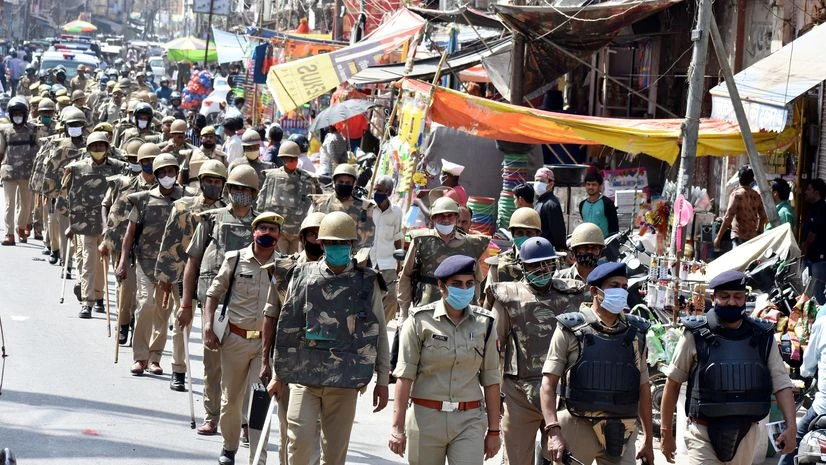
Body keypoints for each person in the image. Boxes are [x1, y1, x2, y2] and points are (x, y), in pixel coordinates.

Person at [269, 212, 390, 465]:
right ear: (321, 244)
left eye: (343, 243)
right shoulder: (299, 275)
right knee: (298, 443)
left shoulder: (367, 282)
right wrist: (277, 374)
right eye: (332, 243)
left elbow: (378, 333)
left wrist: (382, 379)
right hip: (304, 375)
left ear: (352, 246)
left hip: (345, 380)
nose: (337, 248)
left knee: (334, 455)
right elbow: (287, 326)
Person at [660, 270, 797, 464]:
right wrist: (665, 432)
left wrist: (791, 427)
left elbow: (782, 384)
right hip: (703, 433)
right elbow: (672, 383)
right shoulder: (695, 334)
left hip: (747, 435)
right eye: (724, 296)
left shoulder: (762, 337)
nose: (732, 302)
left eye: (737, 296)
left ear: (745, 298)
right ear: (713, 297)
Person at [388, 254, 501, 464]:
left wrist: (494, 430)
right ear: (441, 286)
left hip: (470, 420)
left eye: (469, 284)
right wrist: (397, 427)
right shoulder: (419, 321)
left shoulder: (485, 324)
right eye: (456, 284)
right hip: (426, 418)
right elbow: (405, 376)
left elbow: (492, 379)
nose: (464, 289)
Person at [540, 262, 655, 465]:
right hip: (577, 423)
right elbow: (548, 385)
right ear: (594, 290)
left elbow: (643, 387)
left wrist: (648, 438)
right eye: (614, 285)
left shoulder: (636, 332)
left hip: (622, 430)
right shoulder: (571, 329)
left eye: (624, 286)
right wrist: (553, 430)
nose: (620, 291)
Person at [179, 164, 260, 435]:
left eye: (245, 189)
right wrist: (186, 304)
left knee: (248, 369)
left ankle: (244, 421)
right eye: (235, 188)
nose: (239, 194)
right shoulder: (210, 220)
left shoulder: (261, 226)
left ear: (253, 193)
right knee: (212, 362)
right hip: (214, 304)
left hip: (248, 306)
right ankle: (212, 415)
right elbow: (193, 262)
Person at [490, 238, 577, 465]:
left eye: (547, 264)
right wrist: (494, 393)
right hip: (519, 395)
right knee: (517, 460)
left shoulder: (571, 294)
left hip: (561, 396)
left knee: (562, 458)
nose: (543, 270)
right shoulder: (507, 297)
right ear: (522, 266)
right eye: (535, 265)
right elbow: (494, 349)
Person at [205, 212, 282, 465]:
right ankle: (229, 447)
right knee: (231, 400)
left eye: (273, 230)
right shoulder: (235, 259)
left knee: (261, 401)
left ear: (279, 236)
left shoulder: (284, 267)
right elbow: (213, 294)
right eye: (263, 229)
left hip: (265, 345)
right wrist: (208, 325)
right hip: (235, 341)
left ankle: (257, 458)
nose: (268, 234)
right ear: (253, 232)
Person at [117, 152, 193, 376]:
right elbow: (130, 235)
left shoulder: (186, 200)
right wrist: (122, 262)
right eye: (163, 172)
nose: (167, 176)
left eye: (171, 171)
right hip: (146, 262)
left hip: (173, 266)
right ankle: (139, 357)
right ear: (156, 175)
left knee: (163, 310)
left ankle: (154, 357)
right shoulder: (143, 200)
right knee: (145, 305)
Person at [260, 212, 326, 465]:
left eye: (323, 236)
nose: (318, 240)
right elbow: (271, 315)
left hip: (325, 363)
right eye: (312, 234)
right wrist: (266, 361)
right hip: (289, 361)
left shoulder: (344, 272)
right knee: (290, 430)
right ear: (303, 237)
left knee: (318, 431)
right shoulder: (285, 269)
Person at [156, 160, 227, 391]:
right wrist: (165, 278)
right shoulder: (182, 206)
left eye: (217, 181)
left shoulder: (227, 212)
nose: (213, 185)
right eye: (209, 181)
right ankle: (178, 369)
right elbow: (169, 243)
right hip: (183, 273)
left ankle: (213, 379)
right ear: (201, 182)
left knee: (213, 326)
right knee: (182, 321)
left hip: (214, 277)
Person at [62, 132, 128, 318]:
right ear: (88, 149)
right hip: (86, 223)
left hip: (109, 223)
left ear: (107, 148)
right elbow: (70, 196)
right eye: (94, 146)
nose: (98, 150)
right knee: (88, 262)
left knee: (103, 263)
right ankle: (87, 301)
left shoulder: (118, 168)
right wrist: (72, 224)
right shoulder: (78, 167)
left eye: (101, 146)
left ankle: (99, 296)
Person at [101, 141, 157, 345]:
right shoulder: (125, 185)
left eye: (153, 161)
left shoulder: (164, 190)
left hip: (151, 249)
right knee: (126, 290)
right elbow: (111, 211)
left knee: (145, 298)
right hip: (126, 246)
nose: (149, 164)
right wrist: (106, 238)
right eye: (145, 161)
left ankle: (138, 329)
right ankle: (123, 324)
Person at [397, 197, 489, 321]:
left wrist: (474, 307)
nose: (446, 220)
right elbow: (406, 276)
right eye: (440, 216)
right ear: (433, 218)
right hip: (426, 310)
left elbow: (476, 280)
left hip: (460, 312)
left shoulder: (470, 244)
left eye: (450, 216)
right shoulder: (421, 242)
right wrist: (403, 313)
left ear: (457, 218)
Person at [779, 302, 826, 465]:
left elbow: (807, 367)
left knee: (792, 441)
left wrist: (808, 372)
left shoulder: (822, 323)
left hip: (822, 408)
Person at [256, 140, 320, 255]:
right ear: (282, 159)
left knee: (294, 263)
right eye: (289, 159)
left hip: (298, 233)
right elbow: (262, 203)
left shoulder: (307, 178)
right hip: (278, 232)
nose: (292, 161)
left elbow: (314, 205)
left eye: (294, 159)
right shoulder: (271, 176)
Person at [483, 208, 544, 305]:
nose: (525, 237)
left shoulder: (547, 262)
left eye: (529, 233)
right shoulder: (498, 264)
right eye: (520, 233)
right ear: (513, 235)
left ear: (538, 234)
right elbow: (489, 300)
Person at [0, 97, 39, 245]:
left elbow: (39, 150)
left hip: (27, 173)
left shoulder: (33, 130)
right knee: (9, 204)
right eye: (14, 113)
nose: (17, 116)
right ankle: (9, 234)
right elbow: (0, 151)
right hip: (9, 172)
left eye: (20, 113)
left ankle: (21, 226)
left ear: (25, 114)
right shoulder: (4, 130)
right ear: (10, 115)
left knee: (26, 204)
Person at [312, 163, 375, 248]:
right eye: (341, 182)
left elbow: (367, 238)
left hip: (353, 254)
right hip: (327, 252)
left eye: (348, 182)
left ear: (353, 184)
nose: (344, 185)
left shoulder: (364, 207)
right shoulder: (321, 204)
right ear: (334, 182)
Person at [371, 176, 404, 321]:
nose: (376, 193)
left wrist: (399, 263)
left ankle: (382, 326)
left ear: (389, 192)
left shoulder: (396, 212)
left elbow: (398, 237)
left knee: (391, 298)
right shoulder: (368, 209)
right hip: (368, 261)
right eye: (375, 190)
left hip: (388, 262)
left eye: (380, 190)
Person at [714, 165, 767, 249]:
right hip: (752, 238)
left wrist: (718, 237)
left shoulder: (737, 195)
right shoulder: (756, 195)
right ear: (752, 180)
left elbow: (728, 217)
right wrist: (758, 233)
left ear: (739, 178)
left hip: (739, 236)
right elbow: (763, 217)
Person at [802, 178, 826, 305]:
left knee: (818, 291)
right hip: (814, 258)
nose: (806, 192)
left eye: (809, 189)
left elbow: (813, 233)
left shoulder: (820, 209)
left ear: (816, 193)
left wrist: (804, 247)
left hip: (818, 258)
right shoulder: (814, 208)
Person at [534, 167, 567, 252]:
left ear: (551, 184)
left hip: (547, 249)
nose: (537, 184)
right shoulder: (540, 201)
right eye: (536, 180)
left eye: (541, 181)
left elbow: (558, 231)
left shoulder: (551, 204)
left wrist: (562, 248)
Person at [579, 171, 618, 238]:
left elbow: (614, 227)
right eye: (588, 184)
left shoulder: (607, 203)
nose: (590, 187)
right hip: (586, 244)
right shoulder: (582, 204)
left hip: (603, 245)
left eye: (594, 185)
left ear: (600, 186)